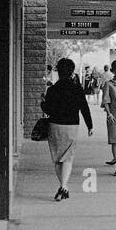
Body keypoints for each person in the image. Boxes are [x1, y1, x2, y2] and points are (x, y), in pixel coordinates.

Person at [39, 57, 93, 202]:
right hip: (71, 126)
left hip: (55, 125)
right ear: (72, 71)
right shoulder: (77, 89)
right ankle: (63, 187)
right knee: (68, 157)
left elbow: (48, 109)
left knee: (57, 158)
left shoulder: (52, 89)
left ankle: (64, 187)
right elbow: (84, 108)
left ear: (58, 71)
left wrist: (43, 102)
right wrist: (90, 125)